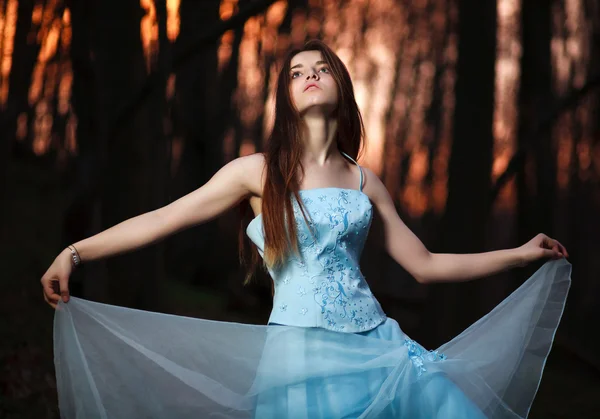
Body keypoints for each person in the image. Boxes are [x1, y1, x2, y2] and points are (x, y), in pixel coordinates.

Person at [41, 40, 571, 418]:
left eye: (321, 68)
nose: (309, 75)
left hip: (378, 348)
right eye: (296, 72)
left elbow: (425, 264)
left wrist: (520, 254)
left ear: (341, 85)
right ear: (287, 97)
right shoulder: (257, 171)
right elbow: (164, 219)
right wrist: (75, 251)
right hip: (297, 358)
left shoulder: (366, 181)